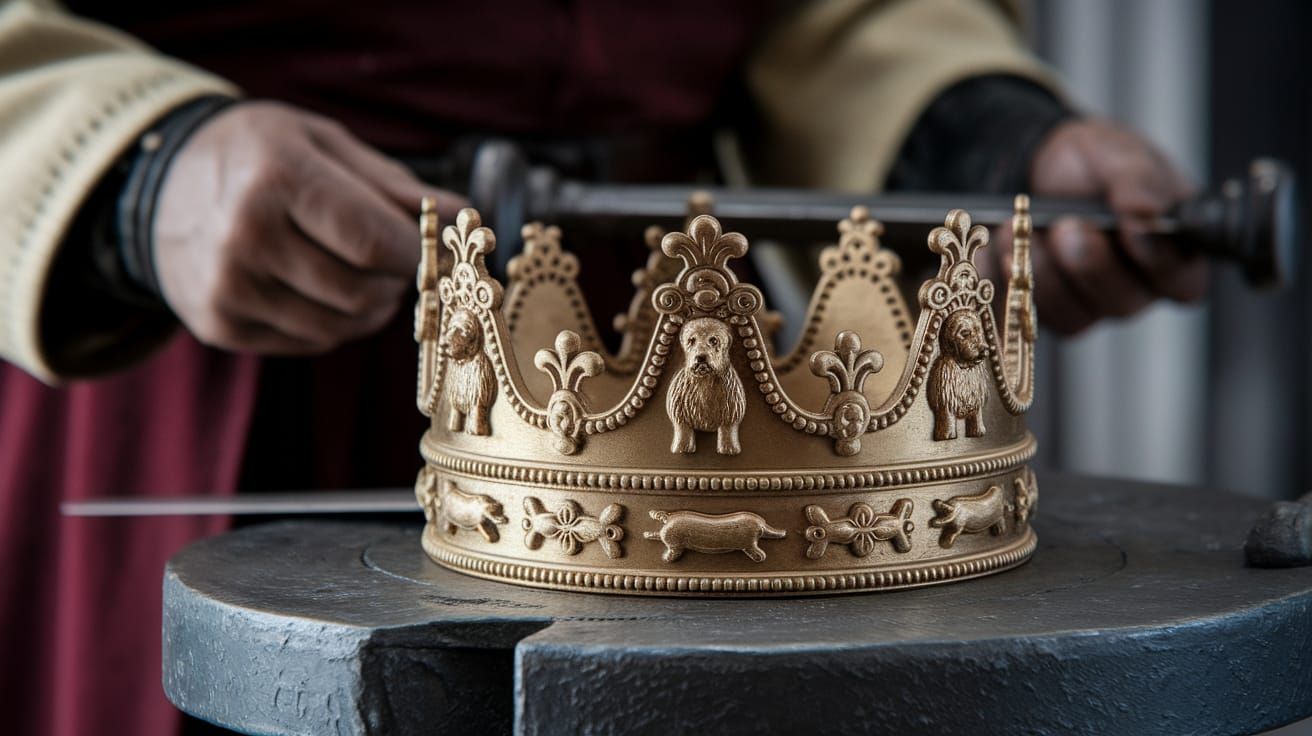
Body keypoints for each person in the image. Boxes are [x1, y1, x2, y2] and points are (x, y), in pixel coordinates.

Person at [0, 1, 1207, 734]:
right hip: (214, 328)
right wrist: (129, 174)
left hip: (650, 328)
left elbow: (822, 20)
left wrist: (967, 135)